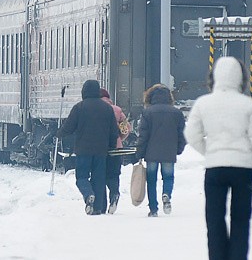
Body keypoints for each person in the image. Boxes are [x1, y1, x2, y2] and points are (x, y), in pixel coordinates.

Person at [185, 57, 252, 260]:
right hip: (244, 169)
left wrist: (210, 152)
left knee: (214, 219)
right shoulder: (247, 105)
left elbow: (191, 135)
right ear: (241, 77)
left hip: (215, 168)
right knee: (241, 220)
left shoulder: (203, 103)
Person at [57, 79, 120, 215]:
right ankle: (97, 208)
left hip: (83, 150)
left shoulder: (79, 107)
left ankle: (88, 195)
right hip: (101, 151)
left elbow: (69, 127)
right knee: (99, 179)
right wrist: (110, 146)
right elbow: (114, 131)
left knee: (82, 177)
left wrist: (59, 134)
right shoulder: (107, 108)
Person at [135, 84, 186, 217]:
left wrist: (139, 152)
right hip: (169, 150)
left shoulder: (147, 112)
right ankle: (166, 194)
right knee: (168, 177)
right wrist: (179, 149)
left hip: (151, 152)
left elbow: (143, 135)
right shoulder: (177, 113)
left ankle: (153, 209)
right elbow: (182, 134)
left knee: (151, 180)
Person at [99, 88, 130, 214]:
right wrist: (120, 140)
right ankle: (115, 194)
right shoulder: (117, 110)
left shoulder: (95, 109)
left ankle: (103, 203)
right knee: (113, 174)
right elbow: (125, 129)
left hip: (99, 148)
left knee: (100, 175)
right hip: (116, 149)